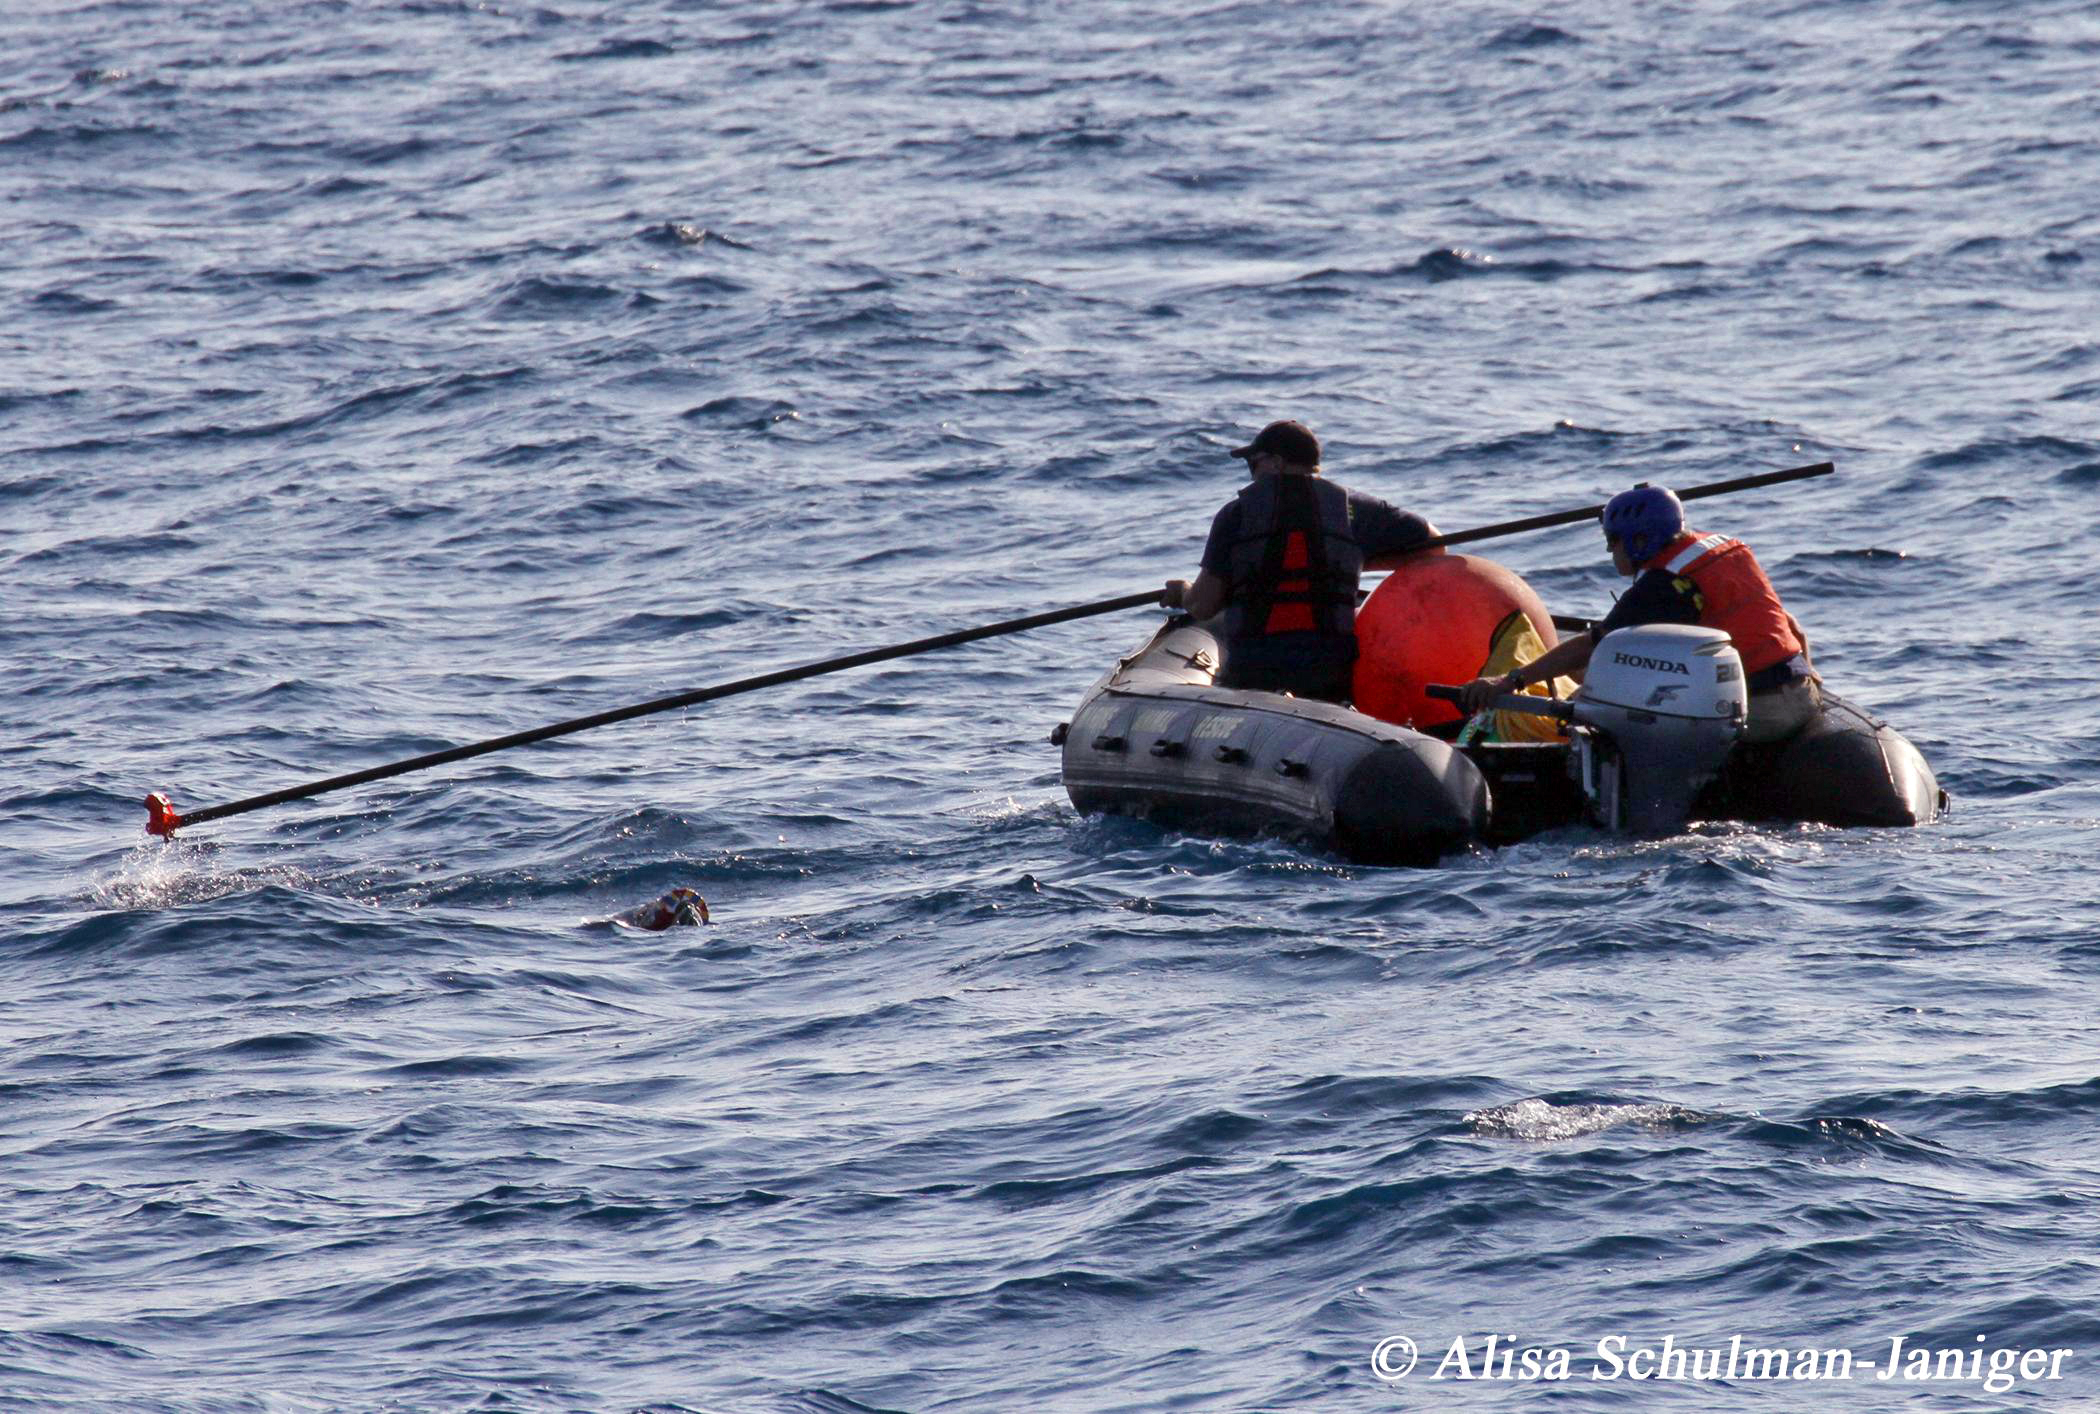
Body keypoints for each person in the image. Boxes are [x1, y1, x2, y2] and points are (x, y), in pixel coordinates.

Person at [1456, 483, 1821, 744]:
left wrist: (1511, 681)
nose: (1609, 551)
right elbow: (1792, 627)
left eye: (1612, 541)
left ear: (1638, 541)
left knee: (1599, 712)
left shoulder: (1664, 583)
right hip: (1802, 694)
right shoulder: (1724, 550)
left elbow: (1590, 647)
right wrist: (1812, 680)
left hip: (1760, 713)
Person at [1161, 419, 1440, 704]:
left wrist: (1183, 592)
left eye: (1253, 464)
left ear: (1276, 463)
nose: (1252, 475)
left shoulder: (1236, 514)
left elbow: (1204, 605)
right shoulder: (1356, 510)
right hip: (1331, 675)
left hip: (1254, 676)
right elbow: (1434, 546)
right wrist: (1349, 562)